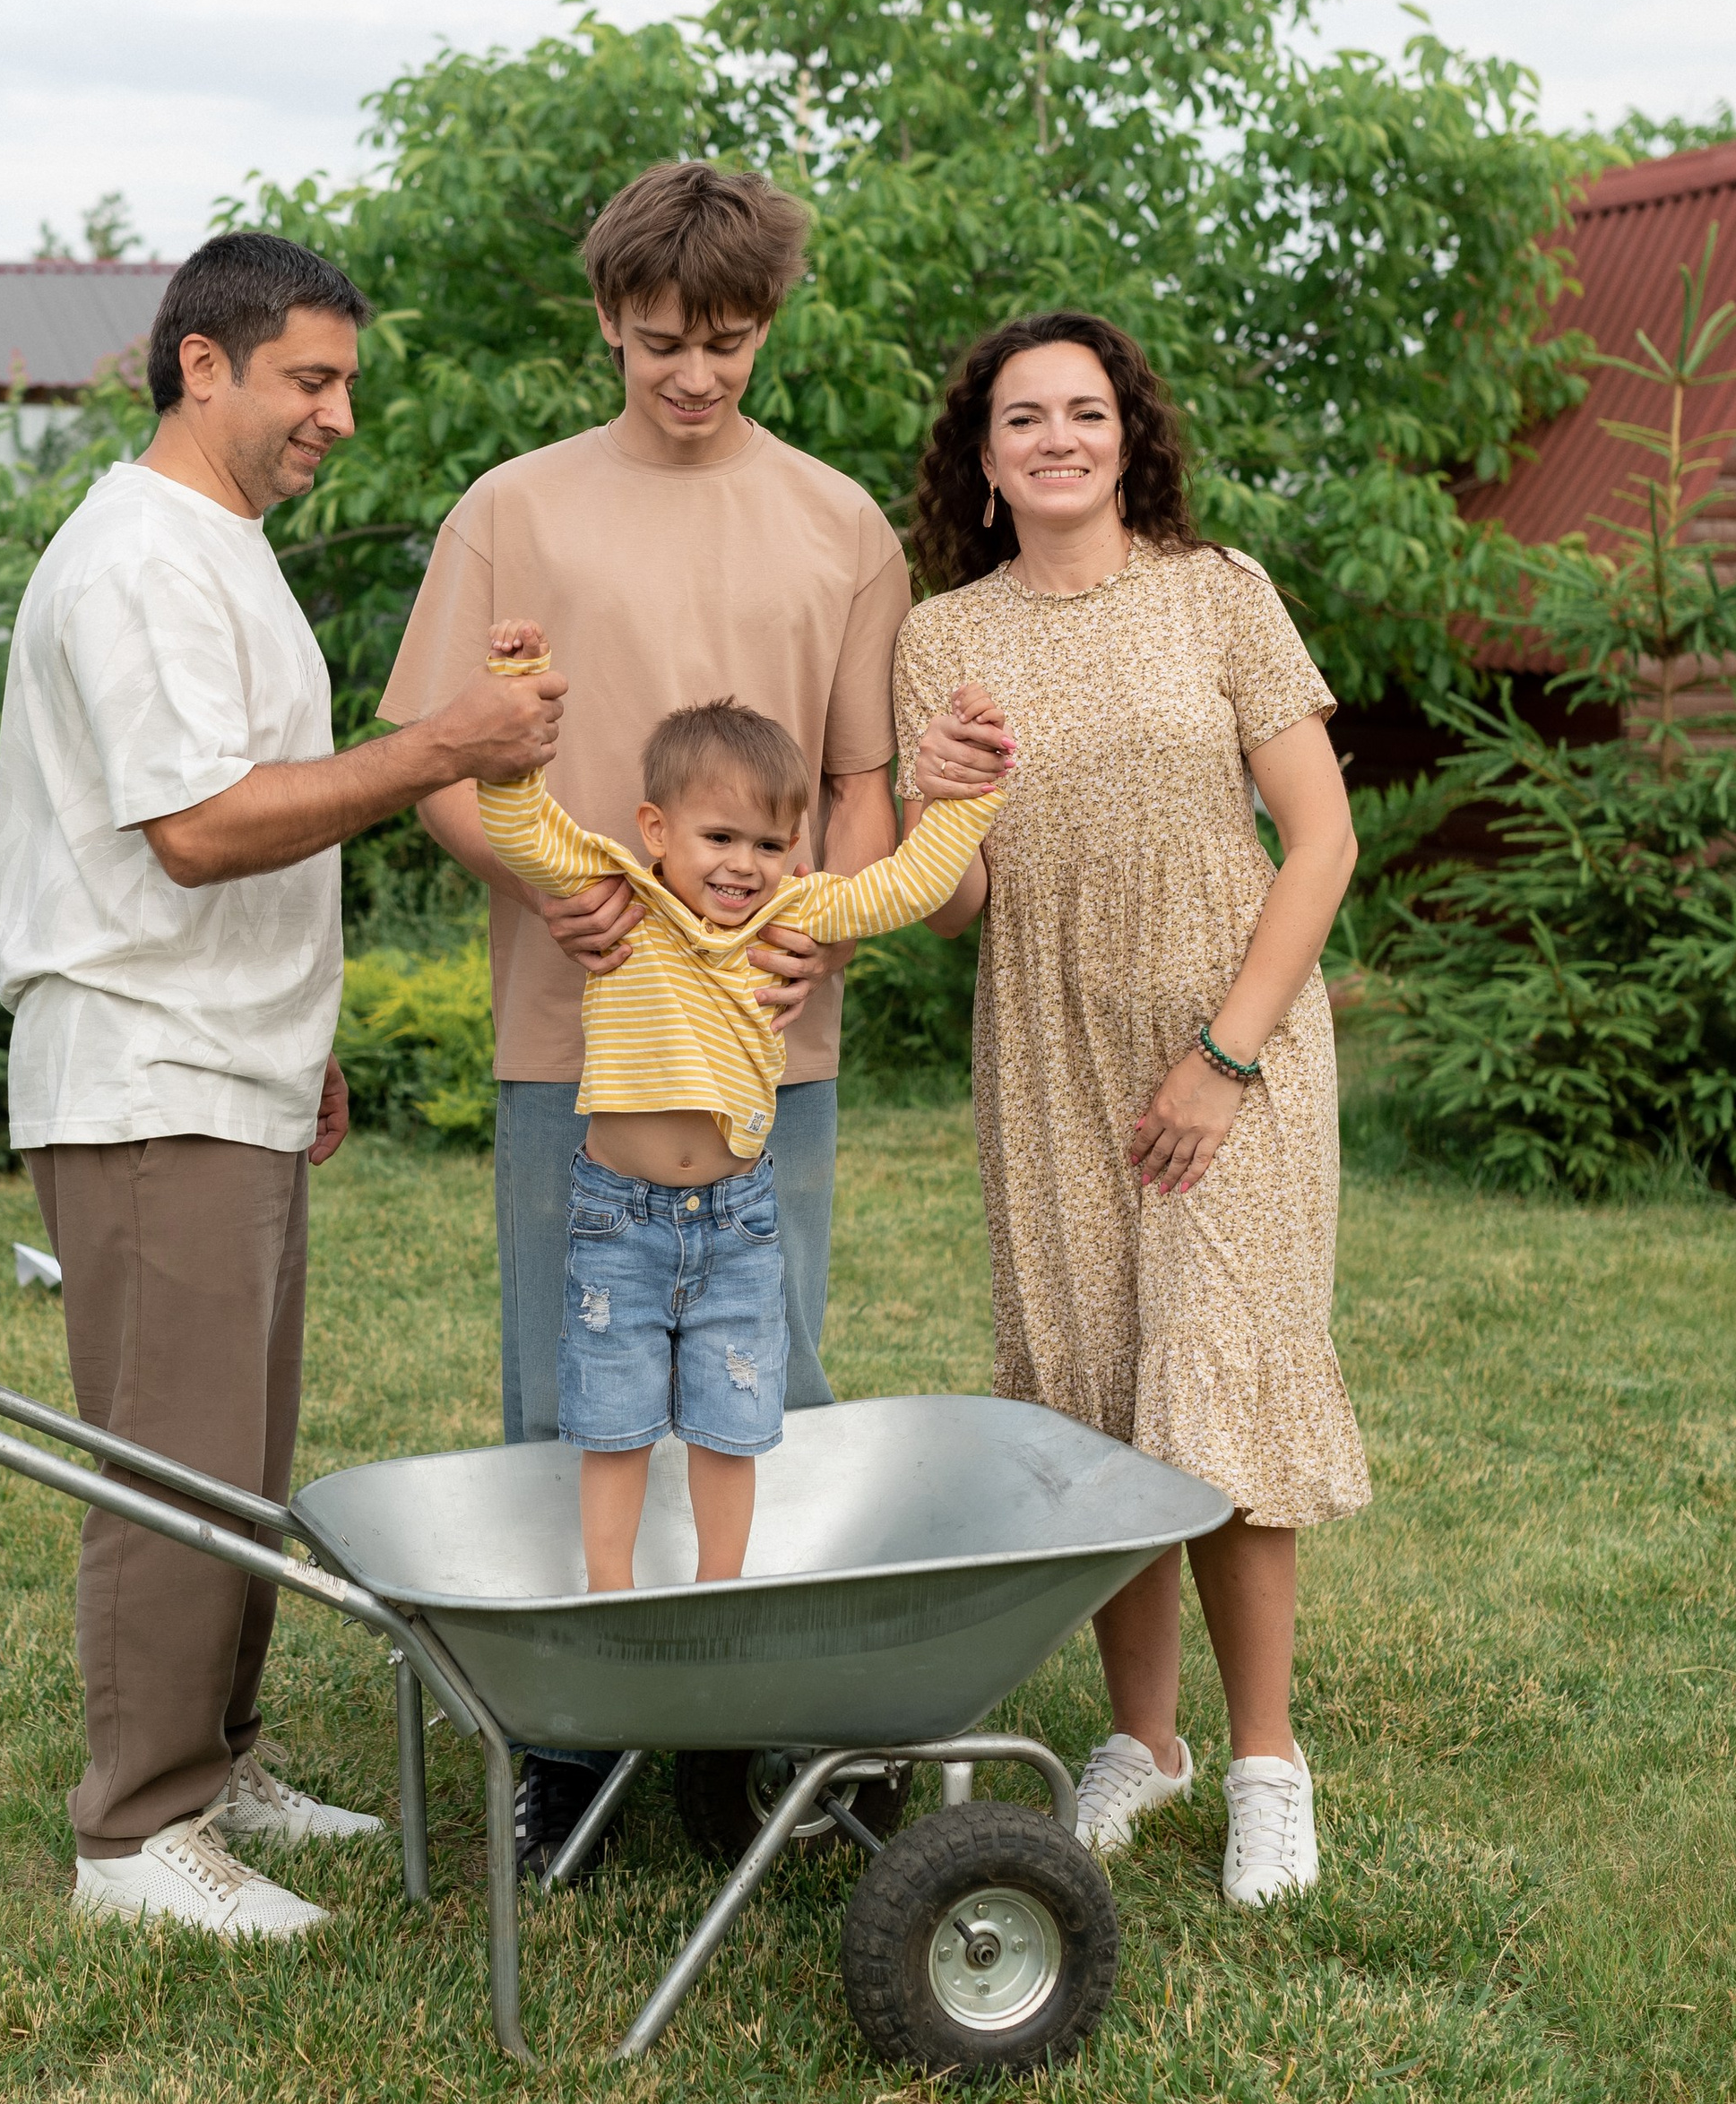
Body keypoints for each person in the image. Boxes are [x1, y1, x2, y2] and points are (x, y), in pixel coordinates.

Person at [0, 229, 566, 1944]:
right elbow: (199, 829)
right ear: (203, 366)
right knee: (167, 1462)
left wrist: (299, 1040)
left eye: (345, 388)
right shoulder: (138, 563)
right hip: (145, 1067)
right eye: (310, 381)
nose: (336, 418)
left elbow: (246, 820)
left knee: (235, 1452)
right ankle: (136, 1833)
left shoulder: (222, 549)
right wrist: (442, 750)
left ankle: (217, 1761)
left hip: (229, 1064)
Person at [377, 160, 916, 1876]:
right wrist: (545, 886)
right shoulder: (511, 509)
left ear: (769, 328)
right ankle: (577, 1744)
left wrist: (820, 942)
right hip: (574, 1045)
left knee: (775, 1379)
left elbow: (861, 789)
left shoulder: (840, 527)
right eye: (666, 341)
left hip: (771, 1057)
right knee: (578, 1388)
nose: (697, 374)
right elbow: (437, 768)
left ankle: (775, 1729)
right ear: (607, 319)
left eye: (731, 342)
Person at [893, 308, 1365, 1910]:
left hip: (1232, 1053)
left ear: (1126, 432)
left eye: (1083, 411)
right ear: (984, 455)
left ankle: (1267, 1767)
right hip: (1046, 1055)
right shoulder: (941, 640)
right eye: (1022, 418)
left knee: (1218, 1395)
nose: (1056, 439)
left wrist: (1223, 1058)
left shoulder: (1219, 595)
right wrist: (943, 796)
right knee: (1102, 1405)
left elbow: (1321, 843)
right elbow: (946, 906)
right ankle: (1144, 1744)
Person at [474, 625, 1009, 1589]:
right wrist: (515, 690)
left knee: (733, 1418)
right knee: (610, 1418)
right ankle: (611, 1596)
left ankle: (721, 1594)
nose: (745, 864)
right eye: (719, 837)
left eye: (770, 843)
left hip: (735, 1221)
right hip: (617, 1217)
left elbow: (910, 883)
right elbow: (518, 825)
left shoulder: (791, 916)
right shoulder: (622, 897)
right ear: (654, 828)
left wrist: (965, 798)